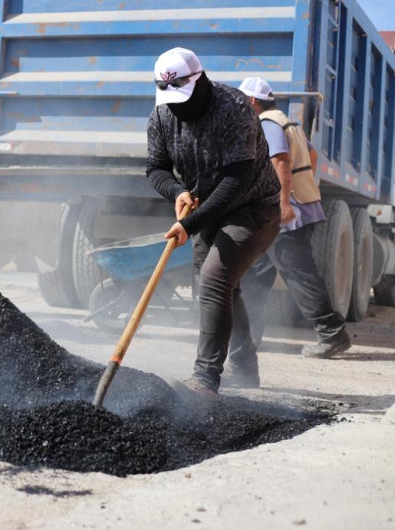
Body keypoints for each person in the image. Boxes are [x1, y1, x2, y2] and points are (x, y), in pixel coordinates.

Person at [146, 48, 282, 398]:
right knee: (218, 288)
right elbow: (156, 167)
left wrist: (189, 225)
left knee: (214, 278)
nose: (178, 108)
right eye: (171, 100)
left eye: (183, 98)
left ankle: (205, 379)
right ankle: (245, 368)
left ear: (201, 80)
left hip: (253, 207)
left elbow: (236, 180)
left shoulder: (234, 108)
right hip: (208, 211)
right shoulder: (162, 114)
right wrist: (177, 190)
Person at [236, 77, 351, 364]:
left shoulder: (267, 124)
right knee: (255, 272)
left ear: (252, 101)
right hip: (292, 208)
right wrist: (303, 185)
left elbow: (280, 162)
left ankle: (332, 333)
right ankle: (250, 336)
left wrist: (284, 202)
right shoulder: (287, 121)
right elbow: (311, 154)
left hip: (285, 214)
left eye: (242, 100)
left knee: (297, 271)